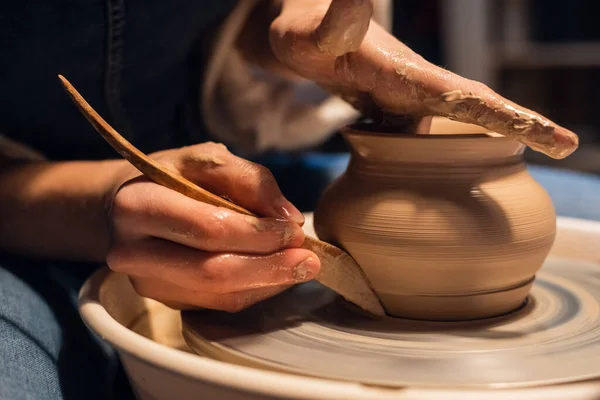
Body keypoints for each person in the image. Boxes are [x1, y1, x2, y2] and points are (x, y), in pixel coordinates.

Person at [0, 1, 578, 399]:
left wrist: (289, 26)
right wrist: (100, 205)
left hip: (233, 170)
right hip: (25, 206)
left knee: (587, 201)